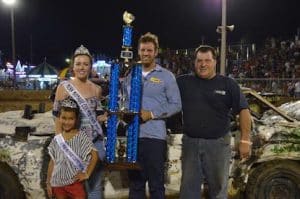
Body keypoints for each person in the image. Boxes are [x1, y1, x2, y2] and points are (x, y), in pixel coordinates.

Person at [177, 45, 252, 199]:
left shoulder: (228, 84)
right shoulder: (183, 82)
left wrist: (245, 139)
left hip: (218, 144)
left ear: (215, 62)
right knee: (188, 190)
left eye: (207, 60)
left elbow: (244, 110)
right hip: (191, 143)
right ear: (195, 62)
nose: (203, 64)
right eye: (199, 61)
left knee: (218, 190)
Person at [125, 32, 182, 199]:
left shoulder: (166, 76)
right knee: (135, 185)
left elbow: (176, 104)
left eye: (149, 50)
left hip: (155, 138)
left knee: (156, 185)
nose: (145, 53)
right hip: (133, 137)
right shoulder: (131, 75)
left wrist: (151, 114)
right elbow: (125, 101)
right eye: (143, 50)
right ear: (138, 51)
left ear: (156, 52)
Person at [53, 45, 107, 199]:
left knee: (95, 187)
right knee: (70, 188)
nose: (82, 67)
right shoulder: (63, 87)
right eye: (78, 64)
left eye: (85, 64)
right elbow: (57, 117)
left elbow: (96, 116)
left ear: (90, 67)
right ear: (73, 67)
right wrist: (60, 144)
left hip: (93, 145)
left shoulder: (96, 89)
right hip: (71, 144)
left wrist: (106, 117)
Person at [47, 98, 98, 199]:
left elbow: (95, 155)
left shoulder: (81, 137)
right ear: (59, 118)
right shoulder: (57, 139)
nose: (67, 122)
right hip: (57, 184)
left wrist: (87, 174)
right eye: (64, 118)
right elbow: (52, 161)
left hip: (75, 184)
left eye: (71, 119)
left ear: (76, 119)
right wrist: (48, 182)